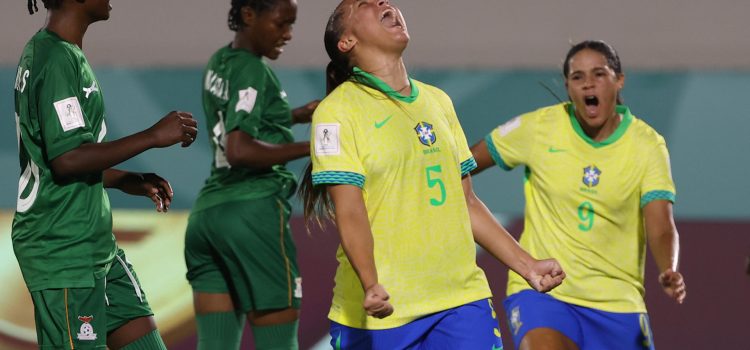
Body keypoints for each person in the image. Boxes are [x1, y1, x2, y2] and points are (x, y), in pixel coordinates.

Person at [298, 1, 565, 349]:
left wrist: (527, 266)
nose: (383, 2)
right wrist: (370, 282)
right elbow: (350, 212)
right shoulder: (336, 113)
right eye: (365, 3)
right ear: (346, 42)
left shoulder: (438, 101)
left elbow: (466, 202)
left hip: (460, 300)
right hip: (382, 310)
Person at [470, 40, 687, 350]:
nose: (588, 83)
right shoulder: (539, 127)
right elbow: (463, 165)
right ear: (569, 87)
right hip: (545, 293)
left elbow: (661, 222)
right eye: (577, 76)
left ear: (619, 80)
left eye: (599, 74)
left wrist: (669, 268)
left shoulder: (647, 145)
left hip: (617, 303)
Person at [14, 1, 199, 349]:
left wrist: (127, 180)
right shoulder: (53, 59)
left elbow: (61, 156)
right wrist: (152, 136)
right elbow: (67, 159)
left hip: (95, 243)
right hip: (62, 249)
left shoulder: (64, 53)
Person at [183, 0, 318, 349]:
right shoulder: (253, 70)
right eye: (281, 23)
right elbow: (240, 150)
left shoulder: (220, 61)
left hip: (208, 219)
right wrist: (315, 147)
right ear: (248, 15)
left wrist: (296, 115)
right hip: (252, 215)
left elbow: (239, 124)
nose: (288, 34)